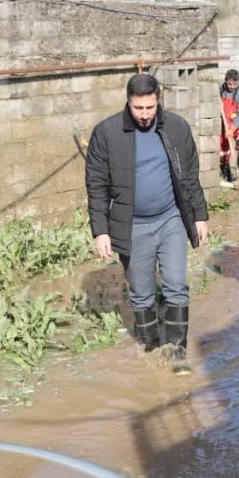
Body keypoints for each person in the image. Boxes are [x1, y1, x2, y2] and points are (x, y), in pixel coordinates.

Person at [85, 73, 209, 369]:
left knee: (176, 285)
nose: (144, 115)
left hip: (171, 219)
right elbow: (97, 185)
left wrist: (200, 215)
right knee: (141, 294)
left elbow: (190, 176)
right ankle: (152, 346)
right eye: (137, 108)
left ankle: (177, 350)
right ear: (128, 102)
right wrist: (100, 230)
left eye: (149, 108)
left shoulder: (176, 128)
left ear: (158, 102)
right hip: (133, 225)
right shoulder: (107, 133)